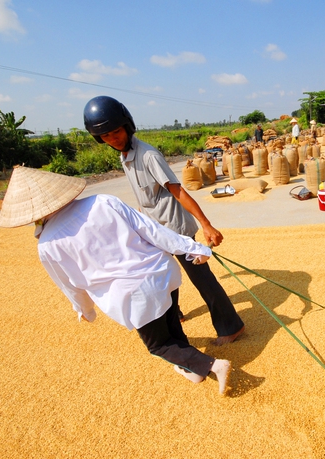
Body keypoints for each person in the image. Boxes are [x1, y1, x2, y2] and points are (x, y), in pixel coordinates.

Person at [0, 166, 232, 394]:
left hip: (133, 293)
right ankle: (192, 369)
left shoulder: (47, 244)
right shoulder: (102, 201)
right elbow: (151, 229)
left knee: (158, 345)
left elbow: (69, 285)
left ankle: (212, 365)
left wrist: (85, 310)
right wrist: (192, 248)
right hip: (161, 272)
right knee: (170, 322)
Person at [83, 96, 245, 347]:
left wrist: (205, 224)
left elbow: (177, 191)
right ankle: (174, 314)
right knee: (159, 275)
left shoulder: (148, 155)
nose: (113, 138)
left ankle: (231, 326)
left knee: (202, 279)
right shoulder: (124, 155)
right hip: (154, 230)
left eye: (116, 131)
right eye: (106, 136)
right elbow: (145, 195)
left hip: (176, 230)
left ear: (127, 126)